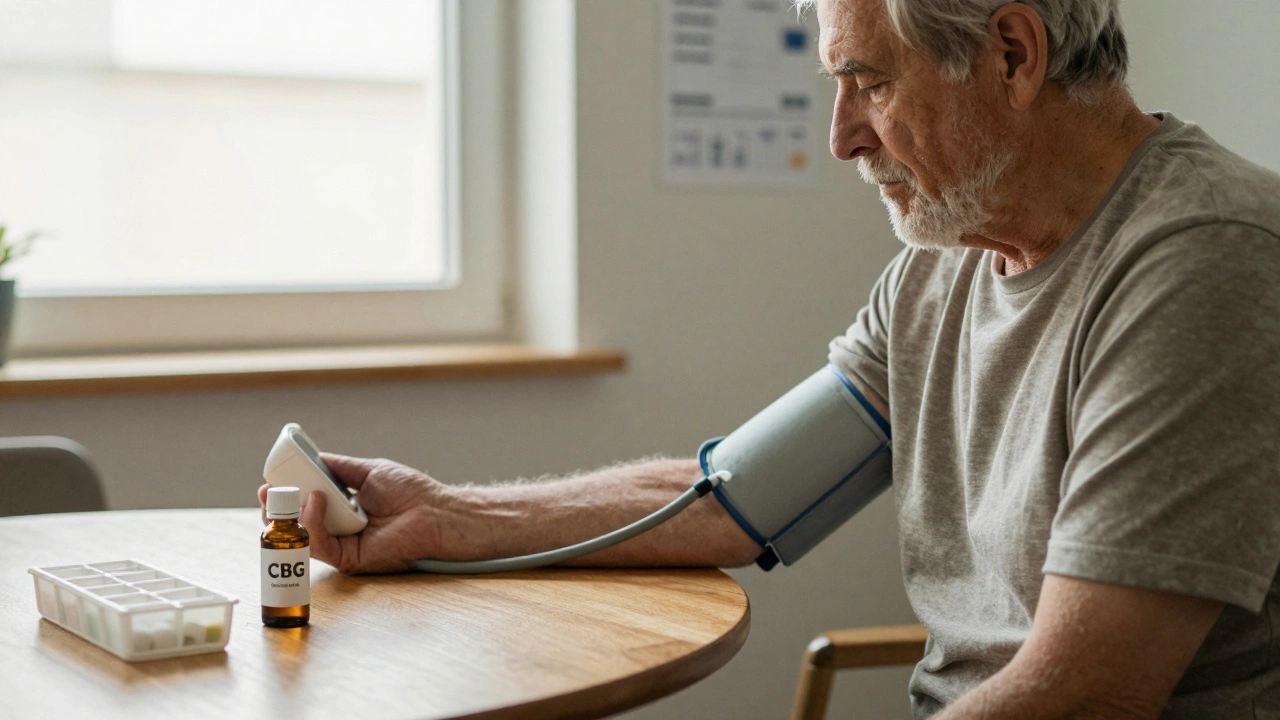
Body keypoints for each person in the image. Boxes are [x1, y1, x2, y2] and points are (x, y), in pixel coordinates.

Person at [260, 0, 1280, 716]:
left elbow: (1085, 697)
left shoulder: (1204, 263)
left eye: (867, 82)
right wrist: (450, 516)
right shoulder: (941, 271)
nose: (839, 138)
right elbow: (732, 500)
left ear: (1012, 53)